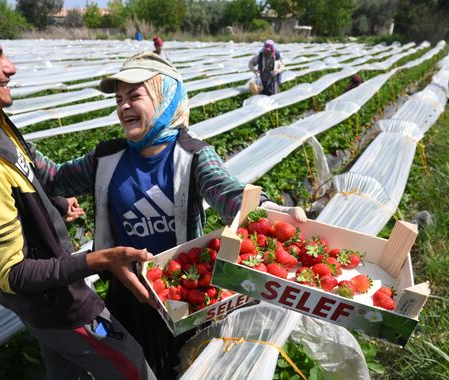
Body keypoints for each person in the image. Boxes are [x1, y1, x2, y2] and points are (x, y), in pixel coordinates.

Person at [0, 8, 156, 380]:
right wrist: (98, 260)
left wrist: (52, 205)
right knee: (132, 365)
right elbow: (14, 274)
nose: (11, 68)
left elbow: (24, 183)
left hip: (47, 307)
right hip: (63, 307)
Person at [28, 52, 307, 379]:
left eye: (134, 96)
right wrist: (10, 141)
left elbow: (224, 190)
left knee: (180, 364)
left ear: (165, 99)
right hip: (127, 289)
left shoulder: (192, 154)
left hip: (179, 290)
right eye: (119, 100)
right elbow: (55, 179)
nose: (123, 107)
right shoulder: (105, 158)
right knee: (133, 368)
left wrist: (268, 211)